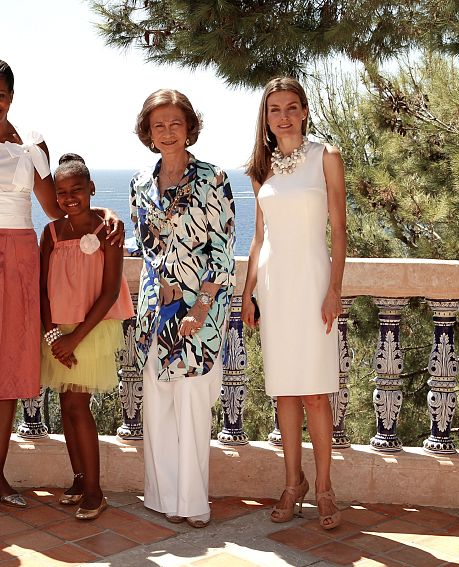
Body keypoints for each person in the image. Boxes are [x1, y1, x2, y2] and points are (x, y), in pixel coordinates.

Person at [0, 58, 123, 513]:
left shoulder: (34, 146)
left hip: (18, 261)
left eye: (0, 95)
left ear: (12, 97)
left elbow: (58, 210)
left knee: (9, 369)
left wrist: (105, 216)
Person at [241, 77, 346, 530]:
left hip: (312, 282)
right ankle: (292, 482)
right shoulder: (260, 168)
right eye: (274, 109)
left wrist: (335, 287)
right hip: (274, 287)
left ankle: (323, 487)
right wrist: (248, 291)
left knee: (315, 392)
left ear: (304, 111)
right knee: (284, 389)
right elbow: (259, 235)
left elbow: (339, 230)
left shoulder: (327, 156)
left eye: (290, 107)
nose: (283, 116)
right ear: (266, 118)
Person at [130, 89, 235, 528]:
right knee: (158, 402)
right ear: (148, 133)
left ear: (190, 127)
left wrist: (201, 306)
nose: (168, 132)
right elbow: (146, 247)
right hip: (157, 309)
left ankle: (192, 503)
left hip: (200, 311)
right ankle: (161, 496)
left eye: (176, 123)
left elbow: (222, 252)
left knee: (192, 403)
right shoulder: (140, 184)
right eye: (159, 125)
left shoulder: (214, 178)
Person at [40, 154, 135, 521]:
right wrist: (51, 335)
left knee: (78, 406)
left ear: (91, 188)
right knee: (66, 405)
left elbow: (110, 291)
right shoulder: (50, 233)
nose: (68, 198)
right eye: (61, 193)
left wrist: (74, 339)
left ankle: (95, 490)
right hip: (58, 333)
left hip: (90, 331)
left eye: (76, 190)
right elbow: (41, 288)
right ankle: (79, 479)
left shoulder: (106, 231)